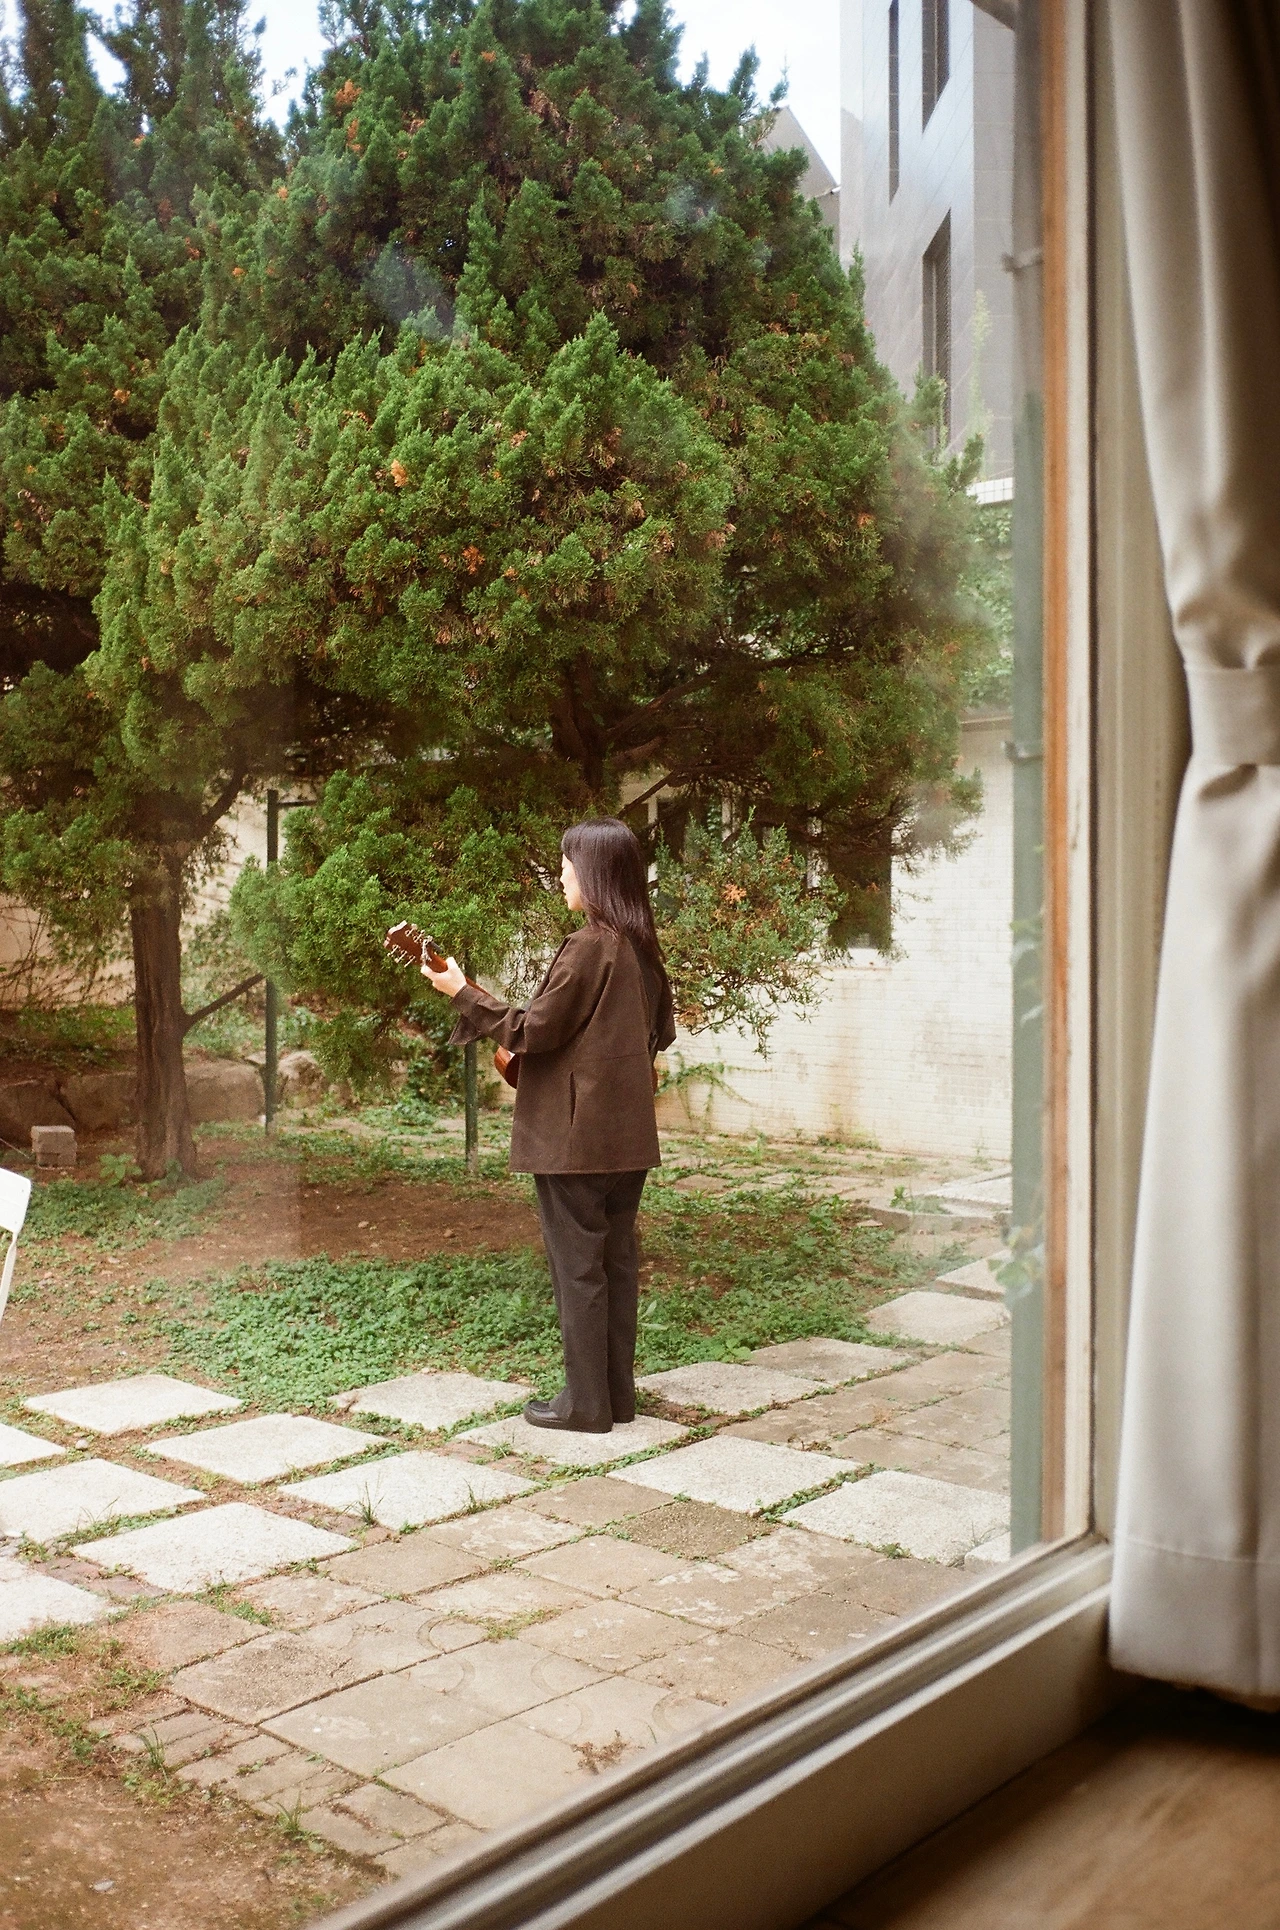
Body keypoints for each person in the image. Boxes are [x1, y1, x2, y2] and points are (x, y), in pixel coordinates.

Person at [420, 817, 676, 1433]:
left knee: (578, 1270)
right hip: (628, 1140)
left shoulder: (590, 945)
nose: (561, 876)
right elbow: (660, 1034)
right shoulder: (643, 948)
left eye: (566, 865)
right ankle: (615, 1398)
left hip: (574, 1140)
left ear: (593, 874)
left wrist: (460, 990)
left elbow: (533, 1030)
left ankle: (584, 1406)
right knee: (614, 1264)